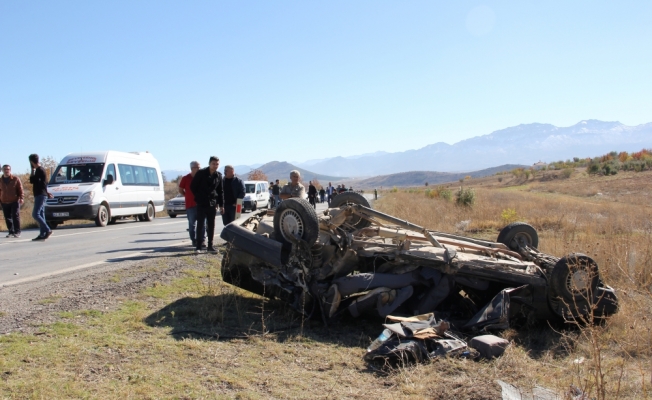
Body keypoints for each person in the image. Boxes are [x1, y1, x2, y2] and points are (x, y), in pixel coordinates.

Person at [190, 156, 224, 253]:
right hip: (201, 203)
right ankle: (199, 246)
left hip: (212, 203)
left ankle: (210, 246)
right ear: (209, 163)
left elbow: (220, 191)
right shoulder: (201, 173)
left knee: (211, 224)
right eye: (213, 164)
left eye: (217, 164)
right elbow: (193, 186)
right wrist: (199, 197)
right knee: (200, 224)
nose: (215, 166)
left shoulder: (218, 176)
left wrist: (221, 205)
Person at [178, 161, 204, 248]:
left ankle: (202, 240)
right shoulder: (186, 178)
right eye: (197, 167)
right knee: (192, 224)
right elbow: (181, 189)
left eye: (199, 167)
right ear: (192, 168)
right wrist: (187, 195)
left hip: (201, 204)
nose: (199, 169)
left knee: (202, 223)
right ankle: (194, 240)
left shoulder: (202, 178)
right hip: (190, 205)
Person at [28, 154, 53, 241]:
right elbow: (33, 181)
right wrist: (32, 170)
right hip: (41, 194)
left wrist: (46, 192)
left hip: (40, 194)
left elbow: (41, 183)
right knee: (41, 214)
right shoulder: (39, 170)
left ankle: (47, 229)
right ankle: (42, 233)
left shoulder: (40, 170)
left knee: (36, 214)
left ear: (31, 161)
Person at [0, 164, 24, 238]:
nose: (6, 171)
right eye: (5, 169)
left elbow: (20, 189)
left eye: (8, 169)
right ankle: (11, 231)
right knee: (7, 217)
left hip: (14, 200)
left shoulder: (15, 179)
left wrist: (21, 198)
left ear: (10, 170)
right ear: (2, 170)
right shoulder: (0, 180)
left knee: (15, 216)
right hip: (4, 201)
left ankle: (17, 231)